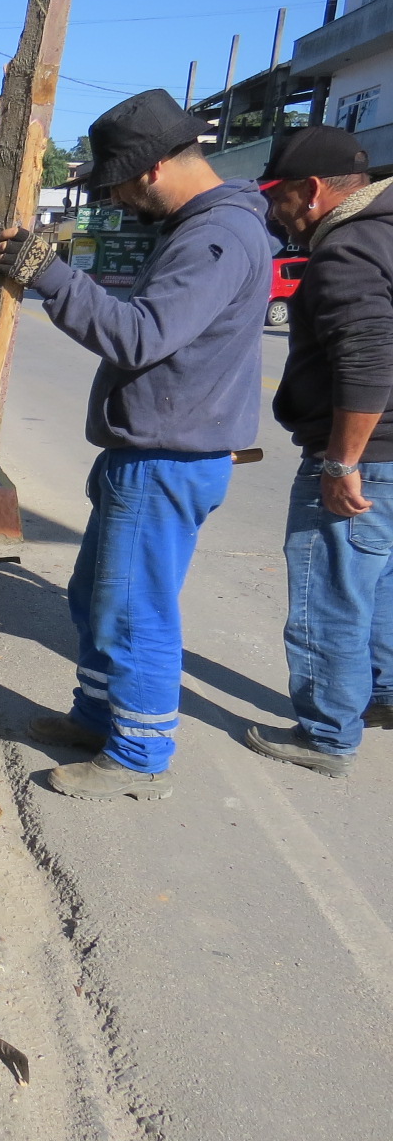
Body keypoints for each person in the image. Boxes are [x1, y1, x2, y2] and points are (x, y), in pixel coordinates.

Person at [0, 88, 271, 801]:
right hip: (158, 451)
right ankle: (97, 716)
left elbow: (139, 335)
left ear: (149, 170)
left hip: (167, 457)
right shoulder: (208, 229)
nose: (117, 201)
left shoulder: (215, 238)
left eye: (116, 186)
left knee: (136, 609)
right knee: (98, 597)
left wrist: (48, 275)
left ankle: (138, 752)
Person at [246, 126, 392, 779]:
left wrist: (340, 462)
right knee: (382, 584)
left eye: (275, 196)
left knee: (329, 591)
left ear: (309, 192)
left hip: (367, 456)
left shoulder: (347, 251)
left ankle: (326, 733)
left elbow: (366, 358)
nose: (273, 212)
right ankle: (380, 697)